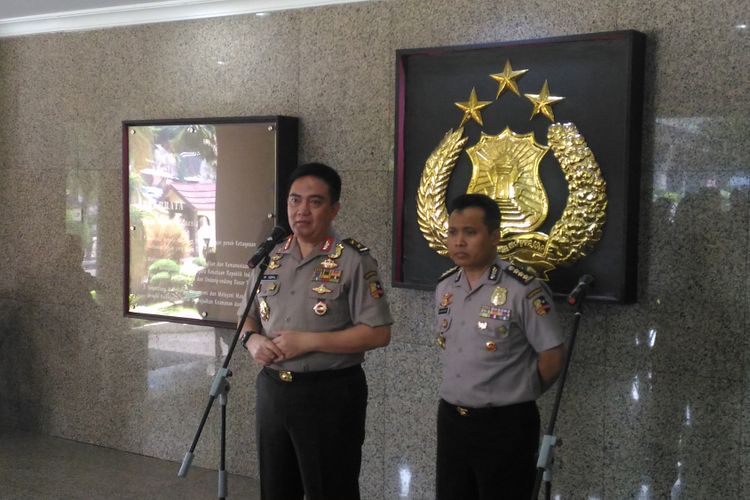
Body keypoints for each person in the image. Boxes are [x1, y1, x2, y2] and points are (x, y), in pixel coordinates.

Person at [237, 162, 393, 500]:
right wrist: (253, 341)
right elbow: (246, 317)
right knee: (276, 489)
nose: (301, 211)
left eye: (315, 202)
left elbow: (378, 332)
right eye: (294, 200)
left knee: (331, 489)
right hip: (273, 391)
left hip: (330, 394)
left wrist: (308, 341)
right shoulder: (270, 256)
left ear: (334, 208)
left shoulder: (353, 260)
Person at [434, 193, 566, 500]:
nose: (459, 242)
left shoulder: (522, 288)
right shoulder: (445, 287)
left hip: (505, 425)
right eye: (453, 232)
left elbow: (552, 357)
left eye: (470, 232)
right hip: (452, 420)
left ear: (494, 236)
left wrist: (516, 391)